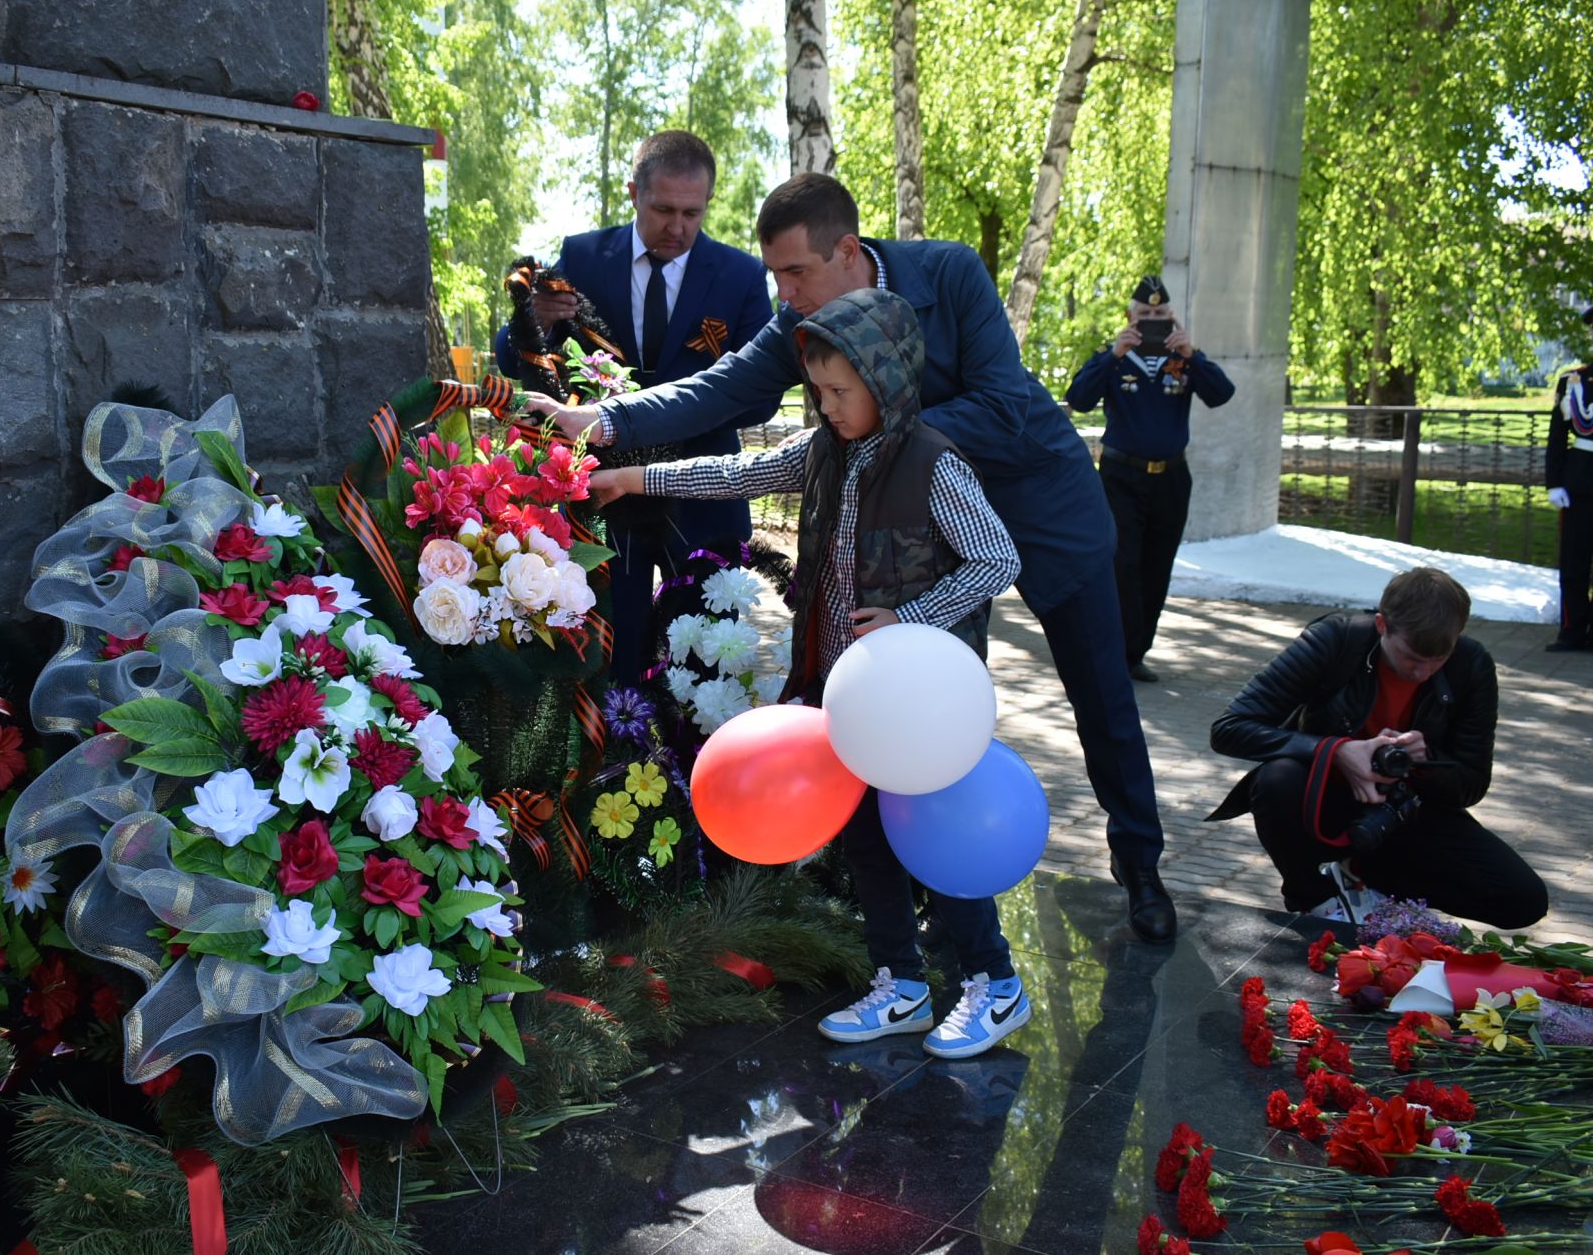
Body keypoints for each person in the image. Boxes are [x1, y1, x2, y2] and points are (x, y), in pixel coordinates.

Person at [529, 173, 1180, 942]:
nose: (786, 294)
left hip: (1042, 511)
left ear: (847, 251)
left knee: (1100, 696)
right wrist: (601, 422)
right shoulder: (806, 319)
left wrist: (872, 431)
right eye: (775, 276)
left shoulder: (949, 272)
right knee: (930, 707)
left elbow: (1003, 402)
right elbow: (725, 385)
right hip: (920, 541)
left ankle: (1141, 866)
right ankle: (935, 894)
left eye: (796, 273)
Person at [589, 286, 1032, 1056]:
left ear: (887, 383)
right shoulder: (824, 452)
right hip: (843, 692)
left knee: (936, 832)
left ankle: (994, 984)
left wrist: (912, 617)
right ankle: (902, 982)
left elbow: (998, 556)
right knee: (862, 837)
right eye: (818, 391)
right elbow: (740, 473)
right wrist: (637, 480)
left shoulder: (934, 465)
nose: (826, 407)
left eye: (841, 391)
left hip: (918, 701)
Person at [495, 130, 772, 682]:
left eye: (693, 212)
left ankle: (696, 766)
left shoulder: (741, 275)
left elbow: (762, 393)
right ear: (633, 194)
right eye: (663, 208)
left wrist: (676, 424)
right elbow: (511, 356)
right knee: (602, 651)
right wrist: (541, 319)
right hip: (599, 495)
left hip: (703, 488)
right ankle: (612, 761)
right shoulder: (581, 256)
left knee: (707, 659)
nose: (677, 227)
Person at [1207, 567, 1547, 929]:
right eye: (1412, 657)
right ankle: (1316, 899)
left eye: (1438, 659)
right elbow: (1230, 728)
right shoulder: (1336, 640)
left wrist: (1425, 761)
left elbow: (1472, 785)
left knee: (1522, 900)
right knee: (1276, 778)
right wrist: (1336, 750)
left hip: (1401, 812)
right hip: (1324, 804)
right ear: (1383, 625)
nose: (1423, 672)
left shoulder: (1471, 664)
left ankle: (1364, 881)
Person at [1064, 277, 1235, 682]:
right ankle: (1117, 654)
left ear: (1171, 317)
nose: (1153, 321)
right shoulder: (1115, 358)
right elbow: (1078, 399)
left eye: (1161, 315)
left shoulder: (1183, 361)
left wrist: (1192, 356)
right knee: (1123, 565)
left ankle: (1137, 652)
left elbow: (1221, 393)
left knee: (1157, 566)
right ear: (1130, 318)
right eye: (1145, 315)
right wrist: (1111, 356)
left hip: (1172, 478)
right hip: (1122, 477)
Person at [1542, 304, 1593, 652]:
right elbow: (1557, 435)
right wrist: (1554, 482)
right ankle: (1572, 631)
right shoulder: (1573, 380)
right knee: (1574, 562)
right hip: (1580, 481)